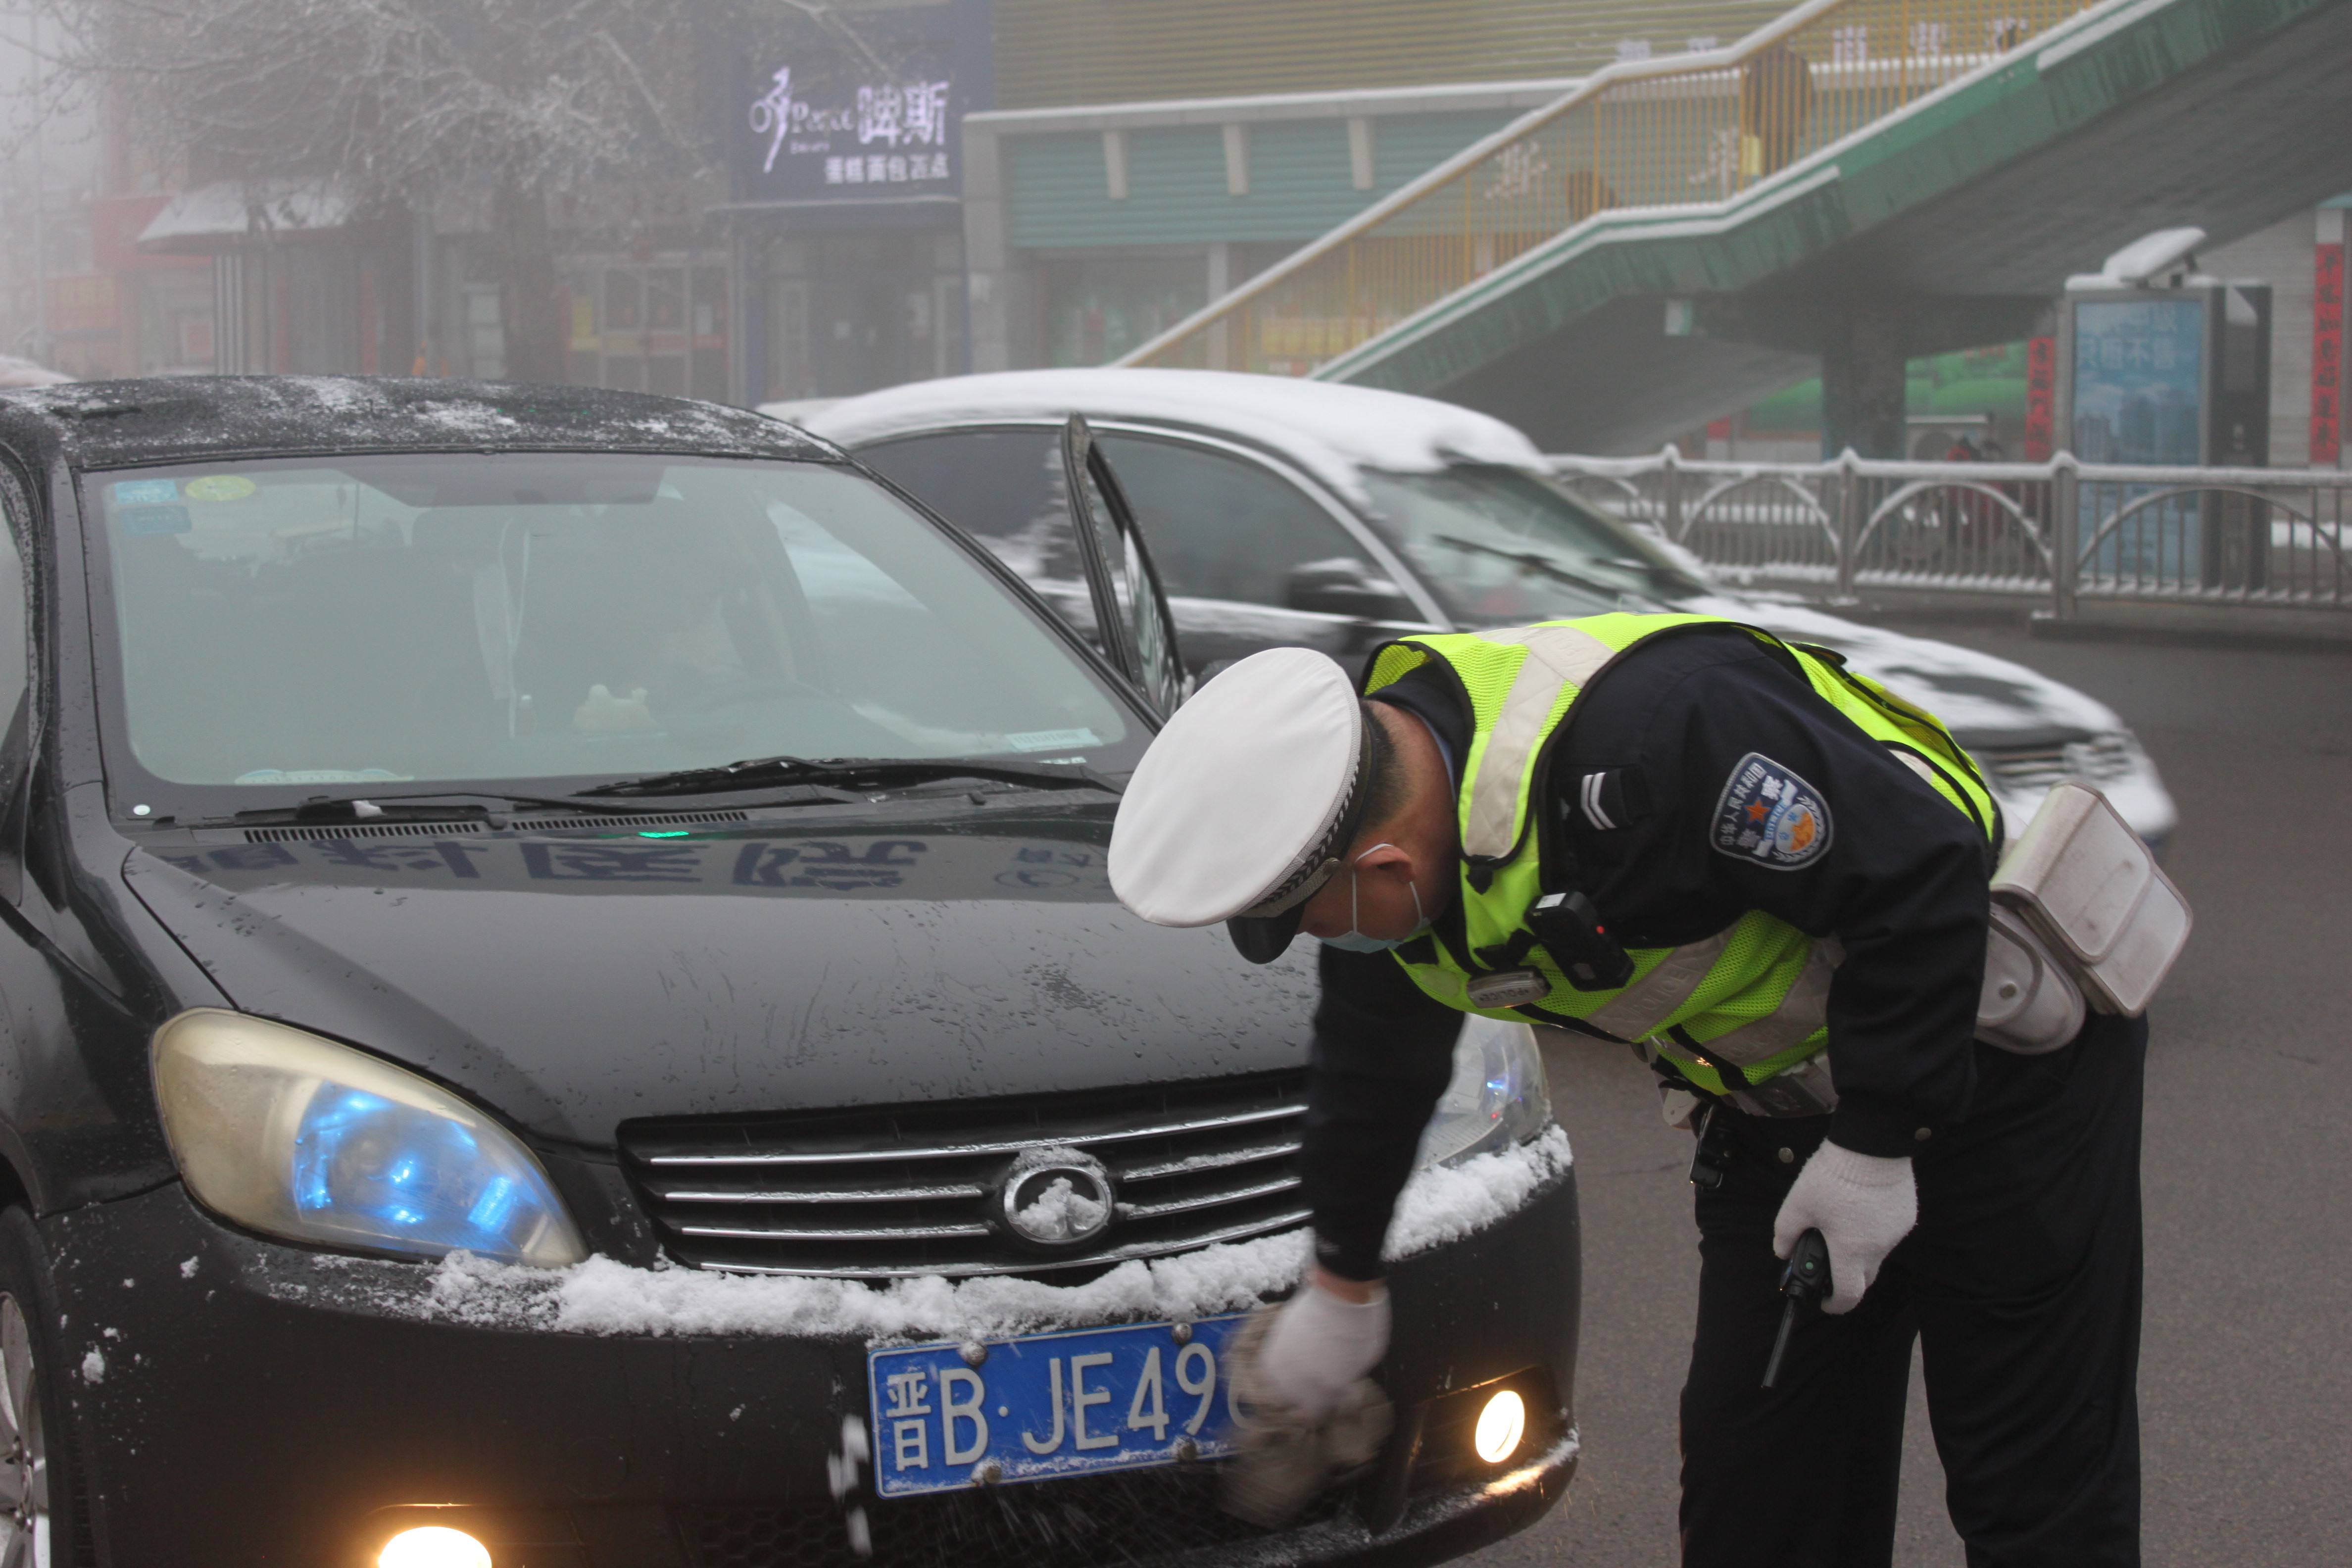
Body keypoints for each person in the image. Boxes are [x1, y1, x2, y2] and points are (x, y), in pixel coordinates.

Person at [1107, 613, 2146, 1568]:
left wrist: (1877, 1144)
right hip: (1778, 1127)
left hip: (1998, 1069)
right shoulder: (1389, 861)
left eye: (1315, 919)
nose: (1324, 942)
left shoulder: (1667, 734)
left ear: (1378, 862)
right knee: (1759, 1502)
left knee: (2034, 1493)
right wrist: (1342, 1282)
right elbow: (1372, 1070)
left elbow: (1924, 867)